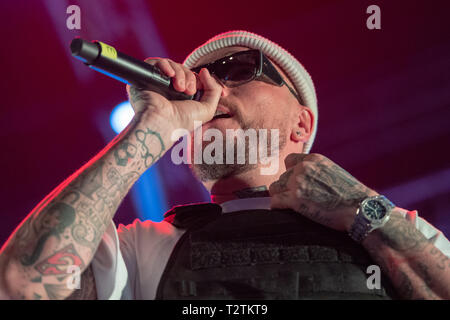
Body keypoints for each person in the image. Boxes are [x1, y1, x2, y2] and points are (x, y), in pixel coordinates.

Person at [0, 30, 449, 300]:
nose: (210, 88)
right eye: (197, 82)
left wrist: (361, 208)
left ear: (301, 122)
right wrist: (151, 127)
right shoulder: (136, 253)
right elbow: (20, 284)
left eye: (240, 70)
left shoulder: (390, 229)